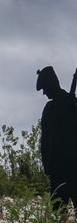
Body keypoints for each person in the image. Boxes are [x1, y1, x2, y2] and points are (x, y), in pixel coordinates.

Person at [37, 66, 77, 214]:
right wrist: (47, 165)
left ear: (53, 84)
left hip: (73, 167)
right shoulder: (49, 108)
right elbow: (45, 140)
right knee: (58, 211)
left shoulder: (72, 104)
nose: (44, 92)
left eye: (45, 88)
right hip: (56, 169)